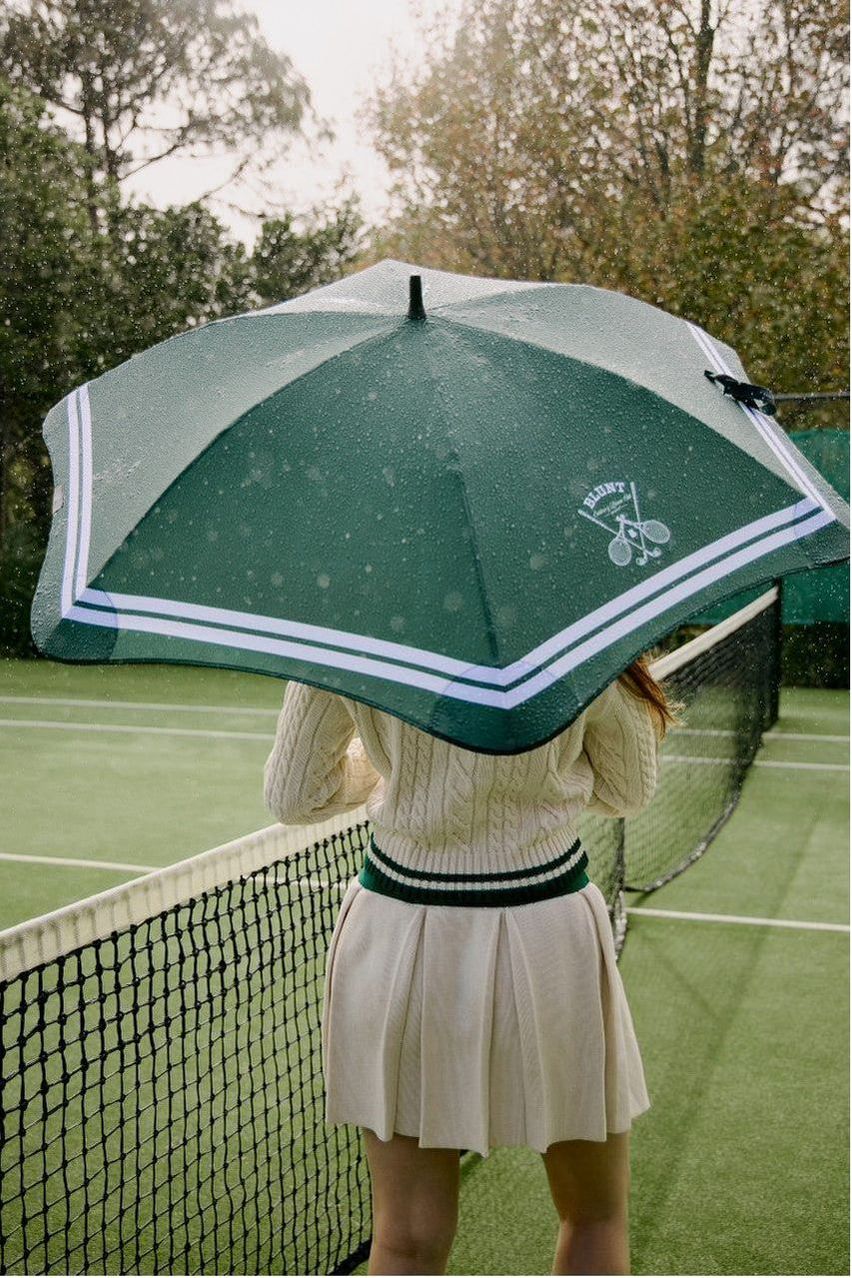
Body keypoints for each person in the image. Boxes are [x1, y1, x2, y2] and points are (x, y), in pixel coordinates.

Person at [264, 657, 680, 1276]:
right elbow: (627, 791)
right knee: (595, 1216)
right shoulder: (577, 625)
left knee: (405, 1239)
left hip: (397, 935)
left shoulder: (348, 624)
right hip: (550, 933)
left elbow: (296, 796)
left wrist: (392, 771)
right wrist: (537, 780)